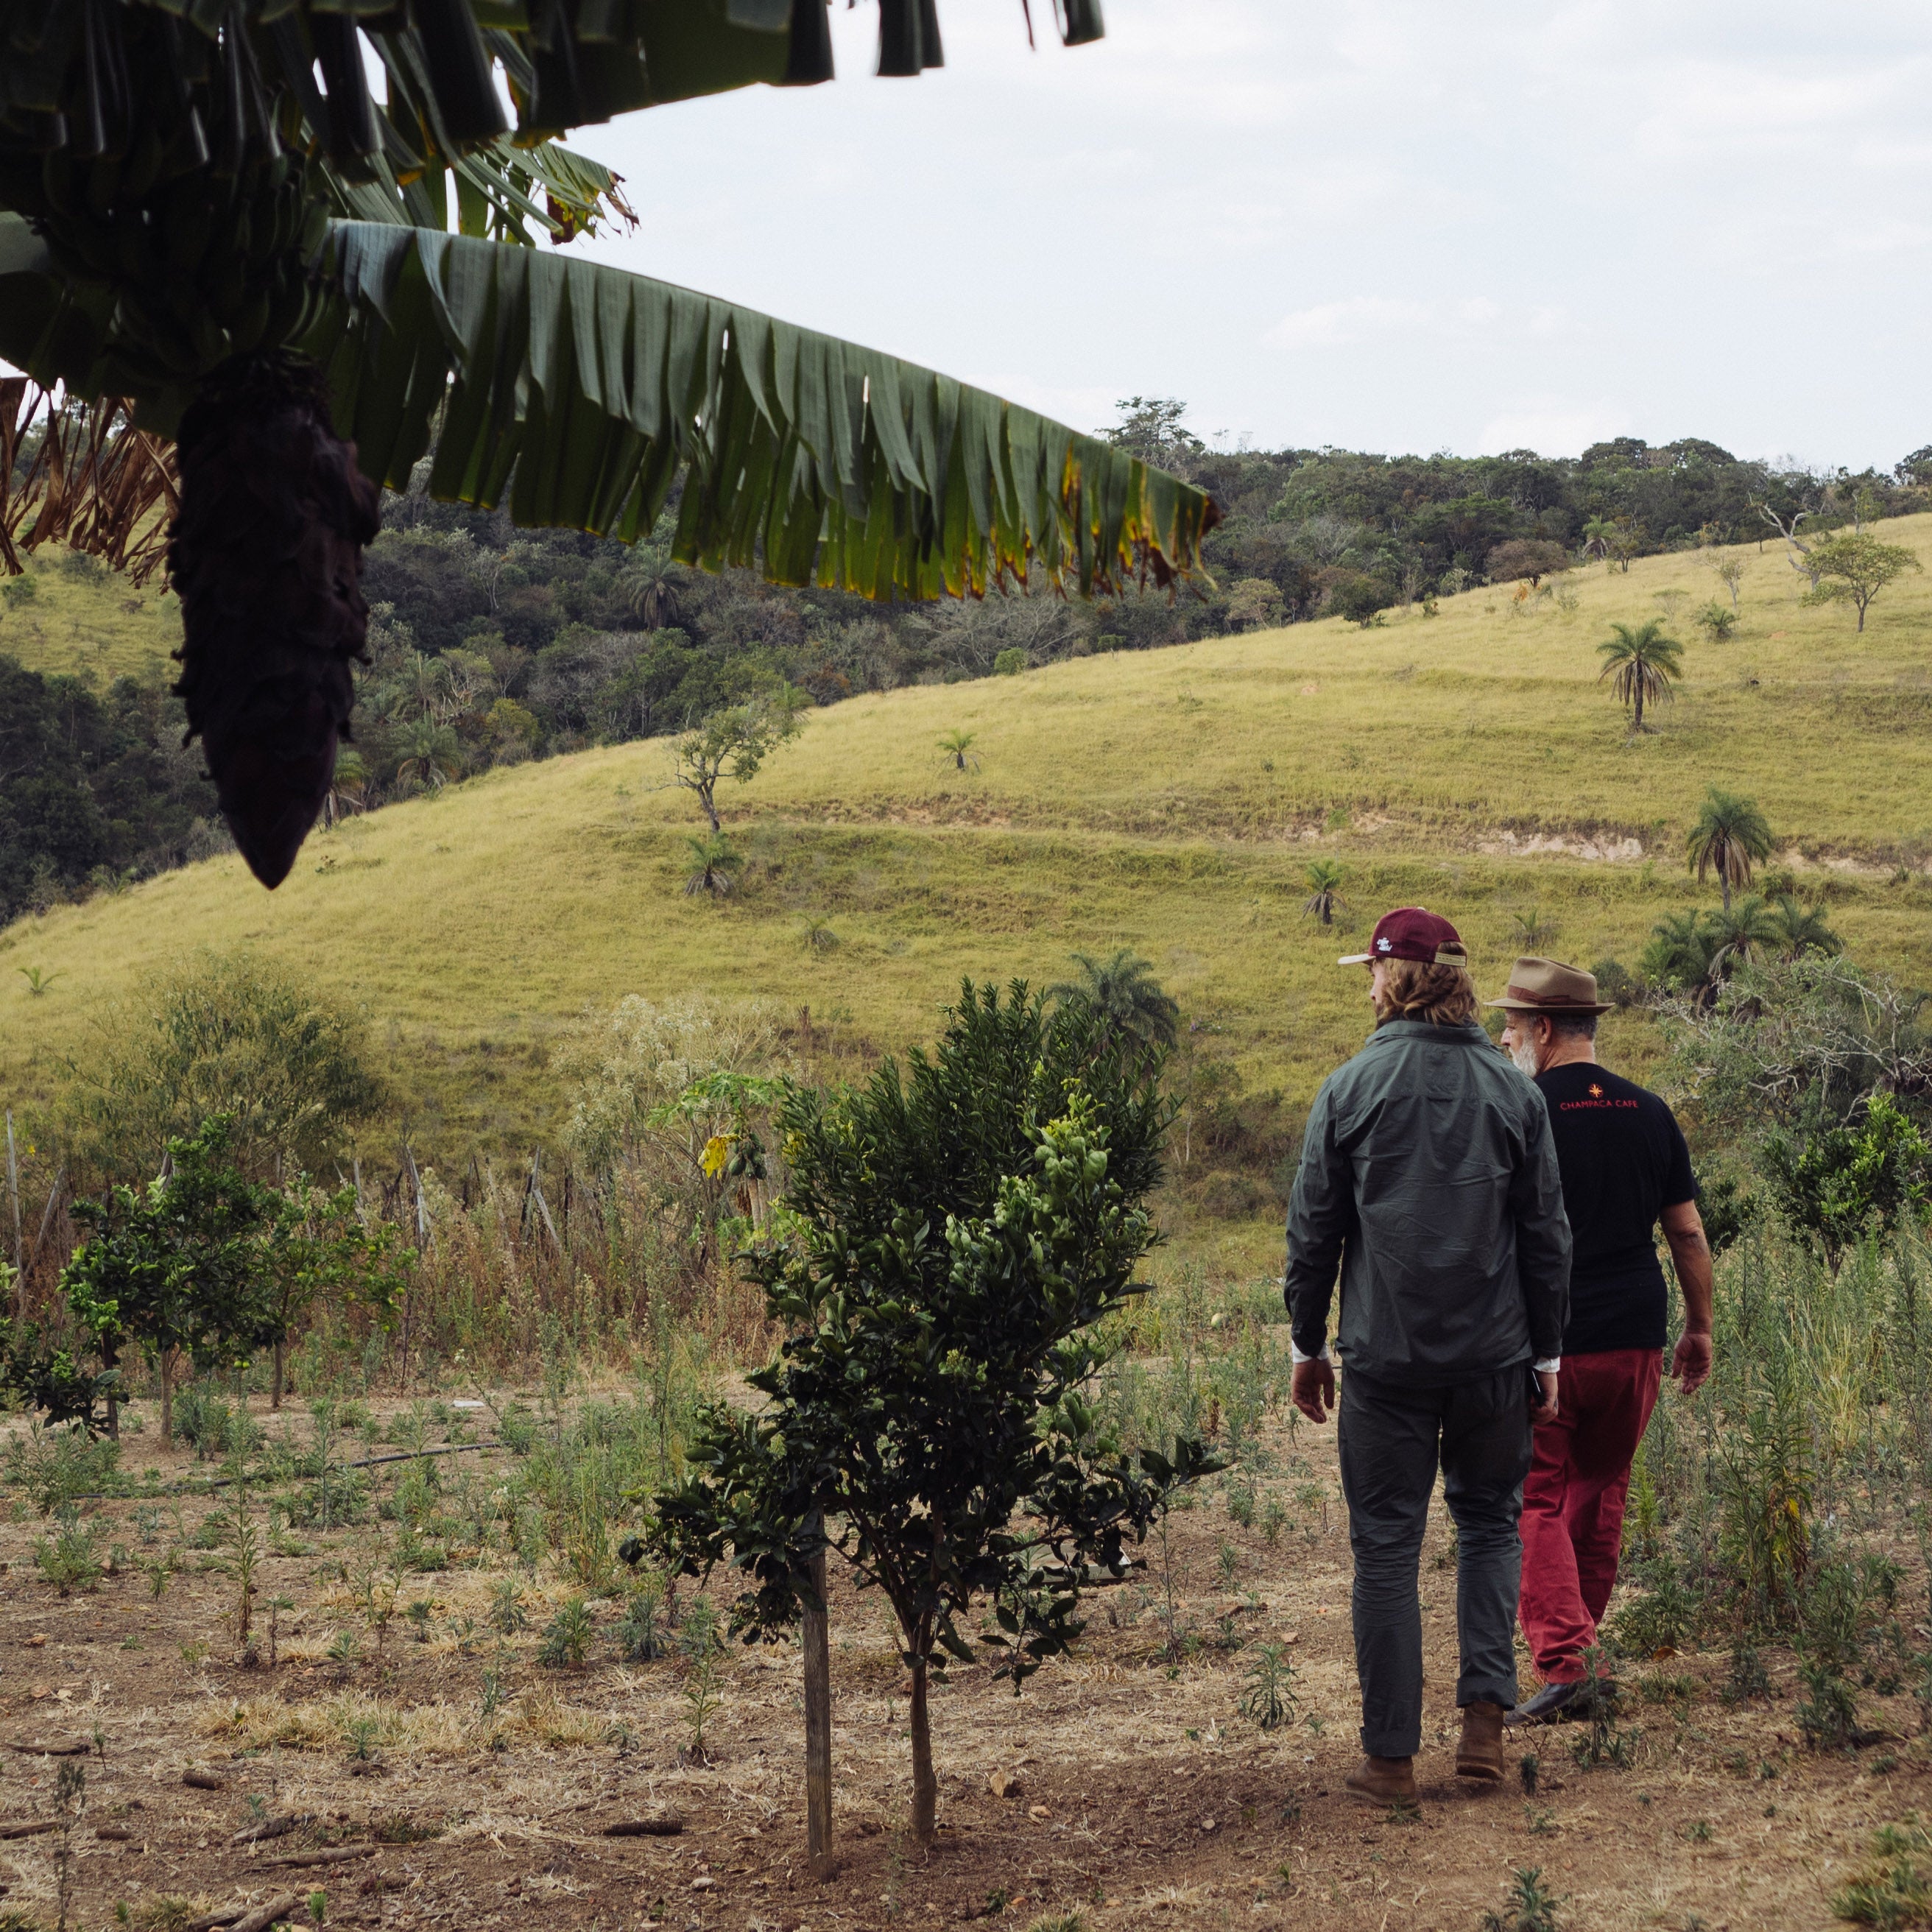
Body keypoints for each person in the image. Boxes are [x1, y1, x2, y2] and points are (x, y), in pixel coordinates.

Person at [1286, 908, 1572, 1803]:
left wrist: (1305, 1341)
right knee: (1488, 1524)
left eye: (1370, 972)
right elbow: (1545, 1237)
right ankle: (1483, 1728)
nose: (1365, 986)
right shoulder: (1513, 1090)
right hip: (1494, 1357)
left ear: (1399, 977)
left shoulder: (1348, 1086)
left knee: (1384, 1548)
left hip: (1383, 1358)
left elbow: (1311, 1233)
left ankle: (1389, 1759)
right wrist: (1548, 1356)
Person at [1488, 958, 1713, 1724]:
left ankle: (1567, 1661)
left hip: (1549, 1342)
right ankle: (1580, 1648)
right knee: (1599, 1486)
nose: (1502, 1037)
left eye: (1511, 1026)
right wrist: (1699, 1327)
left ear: (1543, 1029)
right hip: (1634, 1340)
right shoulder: (1650, 1110)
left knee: (1532, 1497)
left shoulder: (1519, 1108)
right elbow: (1684, 1231)